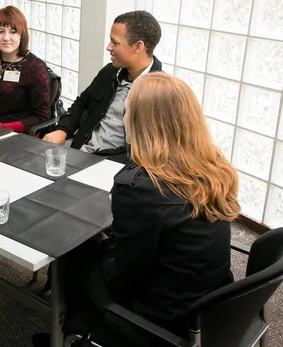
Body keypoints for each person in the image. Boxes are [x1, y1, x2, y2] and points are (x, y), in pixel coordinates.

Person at [33, 73, 240, 347]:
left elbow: (121, 276)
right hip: (210, 305)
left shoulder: (141, 185)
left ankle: (70, 332)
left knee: (72, 248)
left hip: (159, 319)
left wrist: (98, 244)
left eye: (127, 111)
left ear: (141, 122)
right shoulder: (211, 166)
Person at [43, 10, 162, 154]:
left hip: (112, 165)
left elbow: (150, 150)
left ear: (138, 46)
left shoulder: (159, 92)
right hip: (79, 150)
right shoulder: (109, 72)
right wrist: (62, 130)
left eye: (115, 42)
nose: (108, 47)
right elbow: (81, 105)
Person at [0, 5, 51, 134]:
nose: (6, 38)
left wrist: (1, 127)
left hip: (17, 134)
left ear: (22, 34)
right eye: (0, 31)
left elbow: (42, 117)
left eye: (13, 32)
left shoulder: (35, 68)